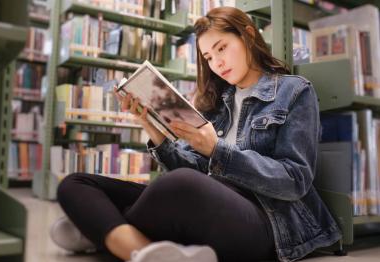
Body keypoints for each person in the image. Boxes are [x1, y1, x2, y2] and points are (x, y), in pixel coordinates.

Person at [54, 6, 341, 262]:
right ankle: (140, 250)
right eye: (208, 56)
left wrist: (218, 150)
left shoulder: (295, 91)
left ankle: (102, 231)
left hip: (267, 221)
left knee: (179, 185)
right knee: (75, 183)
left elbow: (295, 180)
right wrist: (152, 127)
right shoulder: (215, 102)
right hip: (208, 206)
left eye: (222, 48)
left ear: (248, 36)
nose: (216, 63)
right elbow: (191, 169)